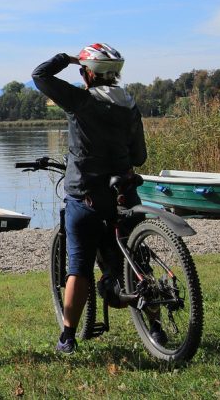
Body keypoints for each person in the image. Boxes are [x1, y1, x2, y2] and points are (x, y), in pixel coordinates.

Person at [31, 43, 147, 354]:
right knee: (135, 261)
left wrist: (67, 59)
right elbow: (140, 155)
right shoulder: (130, 105)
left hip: (86, 195)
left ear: (87, 73)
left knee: (78, 266)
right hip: (124, 194)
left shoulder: (81, 101)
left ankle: (67, 337)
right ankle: (157, 330)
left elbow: (39, 75)